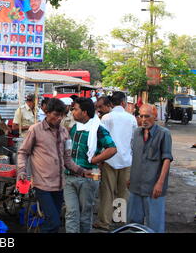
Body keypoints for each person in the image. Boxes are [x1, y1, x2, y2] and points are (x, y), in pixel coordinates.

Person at [17, 98, 93, 233]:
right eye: (56, 115)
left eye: (61, 115)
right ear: (47, 112)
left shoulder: (64, 132)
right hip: (42, 185)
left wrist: (81, 171)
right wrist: (22, 171)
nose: (59, 118)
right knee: (53, 222)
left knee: (53, 222)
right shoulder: (35, 130)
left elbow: (67, 160)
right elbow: (23, 153)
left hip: (59, 186)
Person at [64, 97, 117, 233]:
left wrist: (95, 160)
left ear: (85, 112)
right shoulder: (74, 128)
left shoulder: (98, 129)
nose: (73, 112)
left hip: (89, 177)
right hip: (70, 176)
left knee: (85, 215)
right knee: (71, 213)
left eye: (75, 110)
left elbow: (112, 148)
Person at [94, 91, 138, 231]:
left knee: (107, 191)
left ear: (112, 103)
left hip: (109, 159)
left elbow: (101, 140)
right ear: (124, 103)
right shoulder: (131, 118)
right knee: (122, 192)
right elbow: (134, 141)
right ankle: (119, 220)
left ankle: (104, 222)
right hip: (126, 160)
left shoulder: (106, 118)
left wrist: (99, 159)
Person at [126, 104, 173, 233]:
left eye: (147, 116)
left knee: (155, 226)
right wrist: (130, 177)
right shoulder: (136, 133)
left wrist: (160, 183)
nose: (143, 120)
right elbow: (135, 157)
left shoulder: (164, 134)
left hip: (154, 188)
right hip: (136, 186)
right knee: (133, 224)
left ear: (155, 116)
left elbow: (167, 159)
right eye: (141, 116)